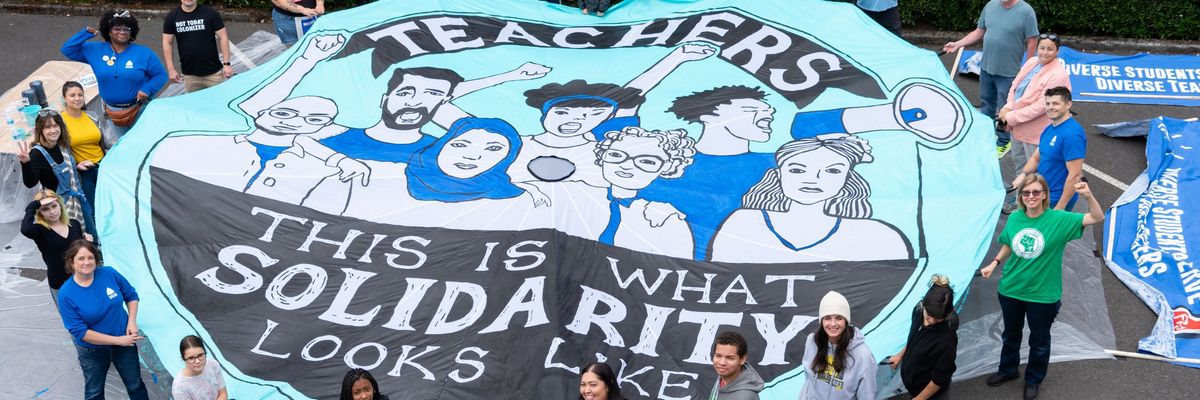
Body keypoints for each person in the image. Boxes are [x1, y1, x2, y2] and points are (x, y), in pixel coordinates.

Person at [980, 175, 1104, 400]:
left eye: (1036, 192)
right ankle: (1008, 370)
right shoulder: (1015, 218)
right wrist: (995, 262)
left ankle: (1033, 379)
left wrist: (1088, 196)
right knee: (1010, 334)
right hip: (1011, 290)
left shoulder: (1059, 219)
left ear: (1044, 194)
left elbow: (1097, 217)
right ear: (1021, 196)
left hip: (1043, 296)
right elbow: (1009, 243)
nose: (1031, 196)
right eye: (1026, 193)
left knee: (1039, 341)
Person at [709, 134, 911, 263]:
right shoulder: (743, 222)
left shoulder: (877, 235)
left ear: (847, 178)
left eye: (832, 171)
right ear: (778, 175)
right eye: (797, 170)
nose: (813, 179)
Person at [640, 85, 776, 260]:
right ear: (709, 117)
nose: (769, 114)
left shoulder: (778, 164)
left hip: (744, 265)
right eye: (750, 110)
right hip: (670, 264)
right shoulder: (664, 161)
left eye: (768, 110)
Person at [942, 0, 1038, 157]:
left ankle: (1003, 141)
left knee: (1004, 110)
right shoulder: (990, 6)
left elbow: (1032, 41)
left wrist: (1028, 67)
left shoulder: (1026, 11)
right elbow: (979, 31)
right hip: (986, 69)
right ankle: (987, 135)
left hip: (1009, 73)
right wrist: (958, 44)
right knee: (987, 104)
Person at [57, 240, 149, 400]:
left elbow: (131, 295)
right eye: (81, 258)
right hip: (94, 351)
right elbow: (80, 332)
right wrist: (118, 340)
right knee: (94, 392)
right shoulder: (66, 294)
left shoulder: (109, 273)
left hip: (124, 342)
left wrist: (131, 321)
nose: (87, 262)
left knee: (135, 385)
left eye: (90, 257)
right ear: (71, 262)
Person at [61, 10, 168, 143]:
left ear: (132, 31)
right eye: (117, 28)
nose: (122, 32)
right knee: (125, 143)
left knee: (146, 142)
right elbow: (67, 49)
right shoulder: (95, 50)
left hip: (140, 109)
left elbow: (160, 75)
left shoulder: (144, 53)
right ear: (109, 31)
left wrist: (147, 89)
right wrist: (85, 34)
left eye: (126, 29)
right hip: (112, 112)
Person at [594, 126, 697, 258]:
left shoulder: (660, 215)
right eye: (616, 155)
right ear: (603, 155)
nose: (626, 165)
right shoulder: (582, 194)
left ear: (667, 167)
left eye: (647, 161)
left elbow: (681, 260)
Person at [998, 33, 1071, 213]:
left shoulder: (1058, 75)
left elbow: (1042, 106)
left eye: (1050, 49)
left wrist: (1011, 116)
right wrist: (1008, 106)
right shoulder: (1031, 62)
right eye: (1042, 48)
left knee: (1037, 172)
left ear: (1057, 51)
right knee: (1020, 167)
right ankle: (1021, 200)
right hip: (1018, 128)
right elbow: (1015, 86)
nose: (1044, 52)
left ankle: (1037, 206)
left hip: (1036, 133)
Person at [17, 111, 95, 239]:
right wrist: (26, 163)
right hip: (60, 207)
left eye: (55, 125)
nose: (53, 130)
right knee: (74, 241)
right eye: (47, 127)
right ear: (40, 130)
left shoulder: (61, 145)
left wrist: (76, 166)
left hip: (78, 198)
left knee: (91, 235)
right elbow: (30, 183)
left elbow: (62, 165)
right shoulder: (36, 154)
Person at [1011, 87, 1086, 211]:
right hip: (1041, 194)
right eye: (1048, 103)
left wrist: (1060, 206)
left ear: (1068, 105)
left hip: (1055, 200)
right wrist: (1023, 175)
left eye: (1056, 103)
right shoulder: (1049, 128)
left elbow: (1075, 175)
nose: (1050, 107)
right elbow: (1037, 157)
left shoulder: (1072, 135)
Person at [887, 275, 958, 400]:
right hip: (915, 388)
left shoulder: (947, 340)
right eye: (929, 316)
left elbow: (939, 378)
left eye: (937, 319)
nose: (931, 322)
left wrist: (919, 399)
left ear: (946, 315)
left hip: (931, 395)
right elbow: (914, 336)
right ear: (924, 304)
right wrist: (900, 355)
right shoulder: (918, 310)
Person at [799, 291, 876, 400]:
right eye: (827, 318)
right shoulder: (812, 342)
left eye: (839, 318)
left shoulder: (863, 355)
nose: (833, 324)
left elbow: (867, 395)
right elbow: (808, 379)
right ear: (822, 321)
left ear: (846, 321)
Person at [20, 190, 87, 308]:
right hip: (60, 282)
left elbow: (81, 251)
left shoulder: (74, 224)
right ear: (40, 213)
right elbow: (25, 229)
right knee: (71, 317)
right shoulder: (39, 230)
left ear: (60, 205)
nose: (52, 211)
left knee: (91, 313)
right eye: (46, 209)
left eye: (54, 206)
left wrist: (88, 243)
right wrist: (35, 205)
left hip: (83, 278)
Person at [163, 0, 235, 93]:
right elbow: (167, 42)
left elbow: (223, 37)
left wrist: (227, 64)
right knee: (194, 102)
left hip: (214, 74)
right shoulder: (172, 17)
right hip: (189, 76)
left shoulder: (210, 13)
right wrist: (171, 69)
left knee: (219, 101)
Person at [60, 81, 105, 214]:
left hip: (102, 165)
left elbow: (103, 141)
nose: (77, 98)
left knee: (110, 203)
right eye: (72, 95)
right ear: (64, 98)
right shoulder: (60, 122)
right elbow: (60, 151)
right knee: (94, 210)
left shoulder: (92, 116)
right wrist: (76, 165)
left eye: (80, 95)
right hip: (84, 172)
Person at [709, 331, 764, 400]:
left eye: (730, 358)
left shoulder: (744, 397)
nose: (722, 362)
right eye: (718, 356)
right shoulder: (723, 377)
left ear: (742, 359)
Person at [172, 335, 228, 400]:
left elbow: (223, 394)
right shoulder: (179, 388)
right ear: (183, 359)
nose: (197, 361)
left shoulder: (213, 365)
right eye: (191, 358)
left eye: (200, 355)